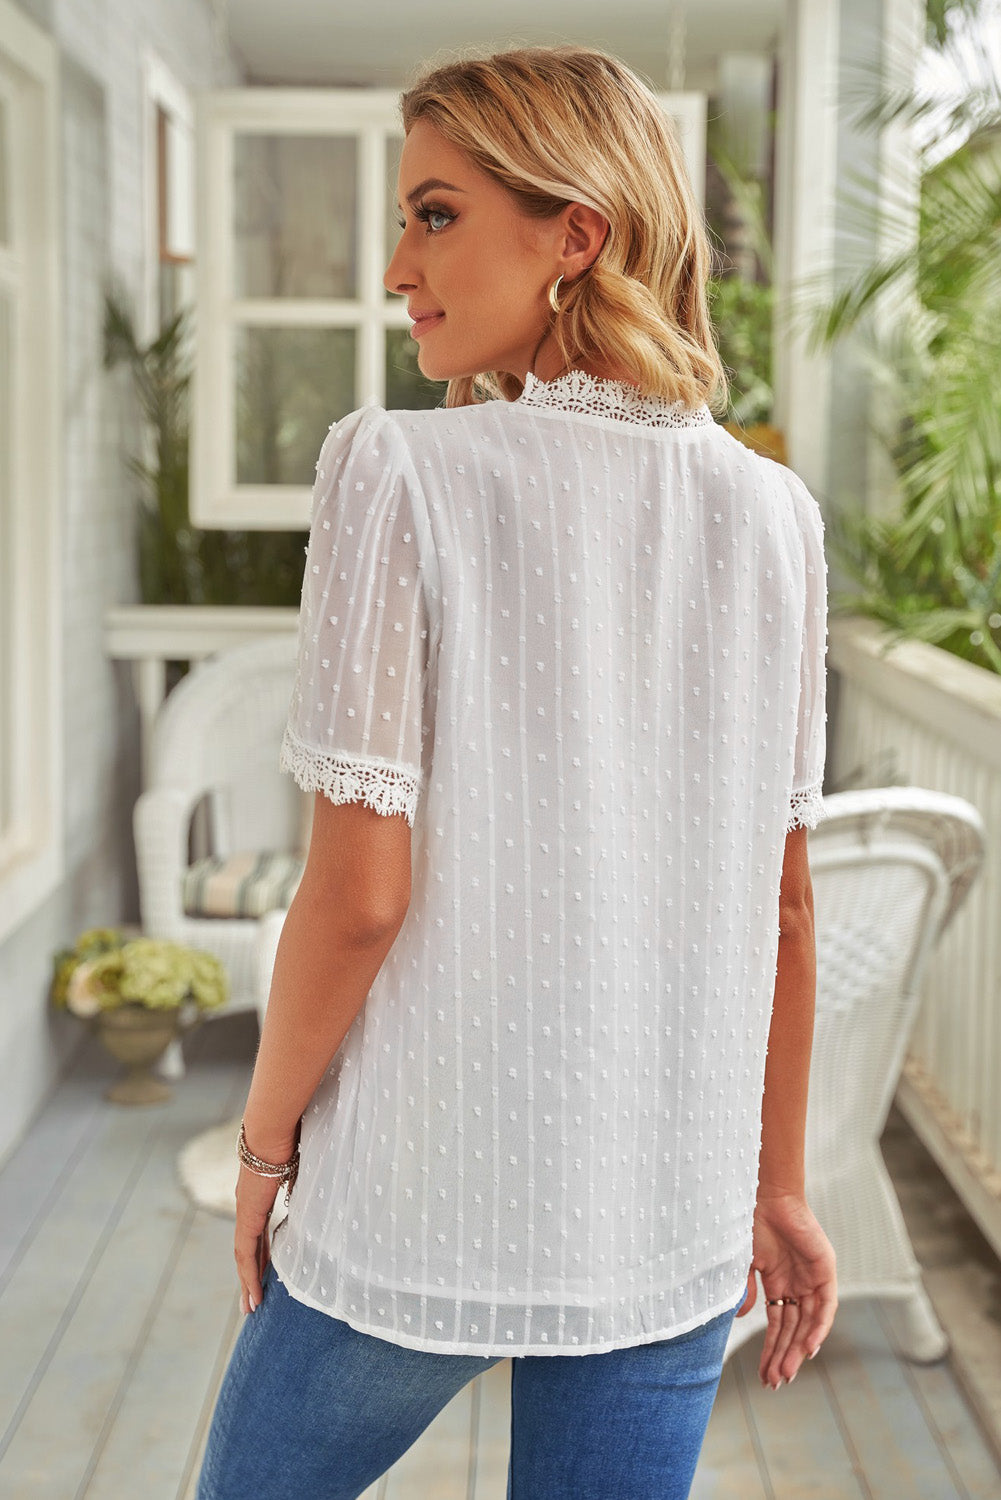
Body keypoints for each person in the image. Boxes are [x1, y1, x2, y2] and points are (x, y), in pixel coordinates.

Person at [196, 43, 837, 1500]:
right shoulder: (776, 518)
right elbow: (785, 908)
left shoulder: (399, 473)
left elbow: (358, 897)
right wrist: (778, 1185)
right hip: (666, 1212)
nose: (395, 269)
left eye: (435, 215)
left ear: (577, 237)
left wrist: (264, 1147)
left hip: (424, 1194)